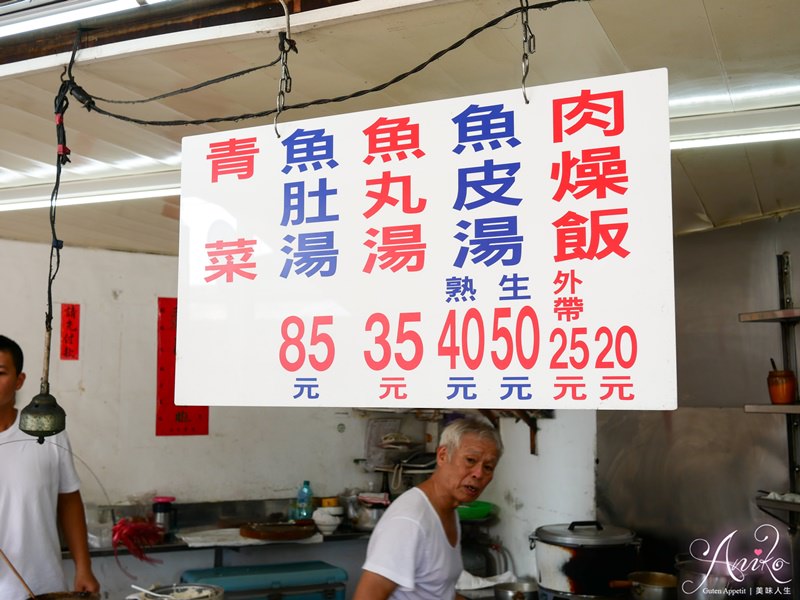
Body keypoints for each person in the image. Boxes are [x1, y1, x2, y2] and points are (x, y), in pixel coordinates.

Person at [353, 415, 503, 600]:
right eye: (470, 460)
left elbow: (438, 592)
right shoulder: (410, 520)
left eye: (488, 467)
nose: (478, 474)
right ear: (442, 456)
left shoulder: (449, 509)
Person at [0, 334, 100, 598]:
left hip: (42, 585)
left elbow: (68, 499)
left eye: (0, 372)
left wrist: (83, 567)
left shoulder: (46, 431)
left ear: (19, 380)